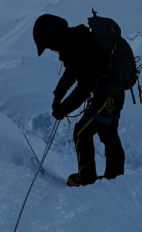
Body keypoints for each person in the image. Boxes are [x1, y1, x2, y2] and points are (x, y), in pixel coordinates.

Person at [32, 12, 126, 186]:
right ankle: (115, 177)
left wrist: (63, 109)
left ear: (52, 37)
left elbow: (84, 87)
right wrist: (59, 94)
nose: (51, 49)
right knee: (108, 132)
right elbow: (73, 72)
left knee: (82, 132)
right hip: (114, 93)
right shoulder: (75, 39)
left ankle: (87, 178)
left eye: (49, 45)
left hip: (107, 96)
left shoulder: (77, 45)